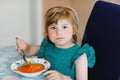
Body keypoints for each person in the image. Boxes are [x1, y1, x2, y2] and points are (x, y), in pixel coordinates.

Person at [16, 6, 96, 80]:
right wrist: (25, 47)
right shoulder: (48, 45)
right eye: (53, 28)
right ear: (47, 32)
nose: (59, 32)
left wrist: (64, 78)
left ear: (74, 30)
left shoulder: (79, 55)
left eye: (64, 27)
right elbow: (30, 51)